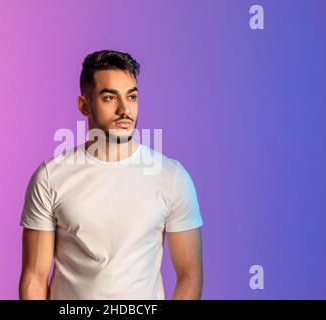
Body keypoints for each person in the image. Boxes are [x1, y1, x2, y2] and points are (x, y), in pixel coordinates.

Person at [18, 50, 204, 300]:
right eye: (109, 98)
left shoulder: (171, 177)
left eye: (132, 97)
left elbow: (189, 274)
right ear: (84, 105)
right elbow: (34, 277)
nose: (124, 109)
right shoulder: (51, 177)